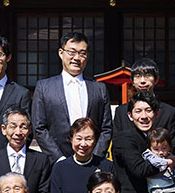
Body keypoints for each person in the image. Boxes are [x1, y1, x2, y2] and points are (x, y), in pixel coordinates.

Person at [31, 30, 113, 162]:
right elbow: (39, 128)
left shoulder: (99, 88)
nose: (76, 58)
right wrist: (58, 159)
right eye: (71, 52)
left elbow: (106, 128)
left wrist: (95, 156)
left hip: (93, 161)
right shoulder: (44, 87)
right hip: (57, 162)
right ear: (61, 53)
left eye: (82, 53)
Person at [0, 107, 51, 193]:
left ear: (29, 130)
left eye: (23, 127)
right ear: (3, 129)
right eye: (13, 126)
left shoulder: (41, 160)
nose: (18, 132)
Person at [112, 57, 175, 151]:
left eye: (148, 75)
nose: (143, 81)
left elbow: (172, 147)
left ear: (156, 79)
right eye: (138, 76)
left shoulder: (169, 112)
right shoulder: (121, 112)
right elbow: (117, 145)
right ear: (132, 81)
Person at [143, 127, 175, 193]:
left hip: (172, 188)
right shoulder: (149, 154)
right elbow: (155, 162)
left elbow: (174, 174)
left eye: (164, 148)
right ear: (149, 148)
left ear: (169, 147)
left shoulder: (169, 156)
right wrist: (167, 162)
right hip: (159, 190)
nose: (160, 152)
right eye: (156, 149)